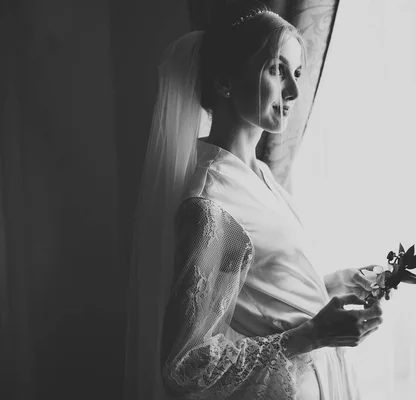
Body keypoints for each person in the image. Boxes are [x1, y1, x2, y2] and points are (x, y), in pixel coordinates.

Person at [125, 3, 385, 399]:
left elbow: (261, 292)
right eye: (276, 69)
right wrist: (313, 334)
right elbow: (183, 367)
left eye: (296, 73)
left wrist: (332, 285)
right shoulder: (211, 202)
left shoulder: (260, 174)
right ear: (227, 80)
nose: (295, 91)